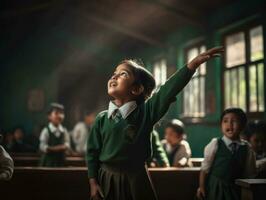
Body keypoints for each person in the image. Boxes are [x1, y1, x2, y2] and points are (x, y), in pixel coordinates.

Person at [87, 47, 224, 200]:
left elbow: (167, 90)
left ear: (137, 89)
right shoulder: (101, 118)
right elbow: (92, 153)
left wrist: (192, 65)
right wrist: (93, 183)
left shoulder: (146, 113)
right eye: (114, 74)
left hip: (136, 180)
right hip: (107, 179)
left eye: (123, 74)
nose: (114, 77)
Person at [197, 108, 257, 200]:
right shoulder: (215, 143)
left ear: (242, 126)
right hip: (216, 188)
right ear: (221, 125)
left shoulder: (247, 148)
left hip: (236, 189)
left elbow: (249, 173)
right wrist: (202, 187)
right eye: (225, 121)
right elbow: (205, 169)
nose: (229, 124)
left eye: (234, 121)